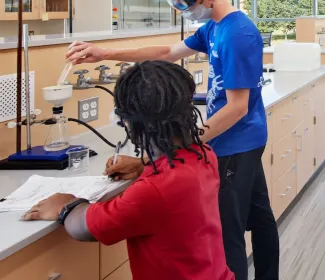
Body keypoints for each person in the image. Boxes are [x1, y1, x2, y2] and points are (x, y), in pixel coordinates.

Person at [65, 0, 278, 280]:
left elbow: (237, 108)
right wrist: (105, 54)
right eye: (173, 0)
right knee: (258, 217)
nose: (179, 8)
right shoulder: (214, 27)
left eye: (182, 1)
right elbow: (167, 53)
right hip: (239, 138)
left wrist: (172, 150)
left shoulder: (238, 34)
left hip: (236, 140)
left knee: (228, 234)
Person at [22, 61, 234, 280]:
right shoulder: (204, 154)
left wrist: (65, 205)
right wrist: (143, 164)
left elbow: (84, 228)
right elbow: (174, 177)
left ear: (131, 123)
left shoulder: (152, 191)